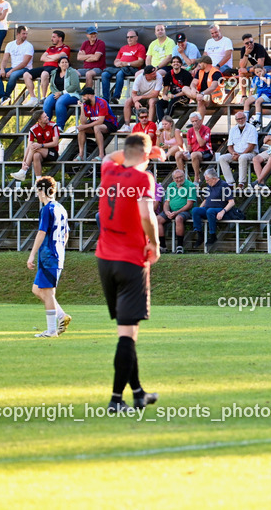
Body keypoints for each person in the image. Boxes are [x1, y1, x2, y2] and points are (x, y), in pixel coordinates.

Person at [97, 133, 160, 412]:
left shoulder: (108, 169)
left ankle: (138, 393)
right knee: (127, 334)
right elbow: (147, 216)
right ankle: (115, 400)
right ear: (146, 157)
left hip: (104, 259)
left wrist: (143, 153)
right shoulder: (142, 179)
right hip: (131, 261)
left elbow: (111, 156)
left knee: (126, 331)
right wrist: (155, 245)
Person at [27, 176, 71, 338]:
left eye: (37, 191)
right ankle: (61, 316)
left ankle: (52, 330)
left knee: (48, 292)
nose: (37, 195)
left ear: (41, 191)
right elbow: (66, 233)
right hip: (55, 254)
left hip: (49, 256)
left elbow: (41, 232)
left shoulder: (47, 209)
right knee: (37, 289)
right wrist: (60, 249)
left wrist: (31, 254)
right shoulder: (61, 208)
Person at [190, 168, 235, 250]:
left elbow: (231, 202)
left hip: (220, 209)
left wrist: (222, 211)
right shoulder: (209, 185)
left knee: (210, 211)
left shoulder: (224, 185)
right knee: (195, 210)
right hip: (208, 209)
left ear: (214, 179)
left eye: (207, 180)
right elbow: (206, 199)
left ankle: (213, 235)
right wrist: (200, 209)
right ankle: (200, 235)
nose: (206, 182)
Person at [10, 111, 60, 183]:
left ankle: (23, 171)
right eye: (45, 117)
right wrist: (23, 161)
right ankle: (38, 181)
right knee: (36, 155)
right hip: (40, 153)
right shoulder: (33, 129)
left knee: (35, 147)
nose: (47, 117)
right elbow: (29, 146)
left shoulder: (53, 125)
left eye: (46, 116)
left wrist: (41, 145)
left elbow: (55, 143)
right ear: (39, 120)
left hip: (52, 153)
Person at [24, 29, 70, 105]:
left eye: (54, 37)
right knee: (26, 74)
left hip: (55, 67)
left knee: (44, 74)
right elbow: (42, 58)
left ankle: (44, 97)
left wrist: (49, 57)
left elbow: (58, 57)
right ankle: (33, 98)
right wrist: (53, 57)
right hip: (45, 66)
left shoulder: (65, 47)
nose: (52, 39)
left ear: (60, 38)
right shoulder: (50, 48)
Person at [156, 169, 197, 254]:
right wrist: (167, 212)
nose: (178, 179)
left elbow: (189, 204)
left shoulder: (190, 186)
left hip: (185, 210)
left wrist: (176, 212)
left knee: (179, 219)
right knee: (157, 220)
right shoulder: (171, 186)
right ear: (173, 179)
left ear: (184, 176)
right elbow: (166, 202)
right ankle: (163, 246)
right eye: (176, 178)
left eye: (180, 177)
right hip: (171, 210)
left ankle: (179, 246)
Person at [76, 87, 119, 161]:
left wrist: (85, 126)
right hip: (95, 124)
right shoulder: (86, 104)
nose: (83, 98)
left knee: (96, 127)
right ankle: (80, 155)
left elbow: (100, 121)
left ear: (90, 95)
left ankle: (101, 155)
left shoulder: (101, 102)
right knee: (82, 130)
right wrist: (82, 108)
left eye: (84, 96)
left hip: (110, 123)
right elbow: (83, 122)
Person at [102, 30, 147, 103]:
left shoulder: (140, 47)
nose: (129, 39)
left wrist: (127, 64)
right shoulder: (123, 48)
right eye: (127, 37)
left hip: (131, 68)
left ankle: (115, 97)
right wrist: (117, 64)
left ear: (136, 38)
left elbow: (140, 62)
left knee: (120, 73)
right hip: (119, 67)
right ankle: (105, 98)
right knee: (104, 74)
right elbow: (116, 61)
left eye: (131, 37)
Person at [0, 25, 33, 103]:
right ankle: (3, 97)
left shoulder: (29, 46)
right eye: (23, 33)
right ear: (17, 34)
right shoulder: (10, 44)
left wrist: (11, 71)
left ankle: (7, 95)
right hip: (14, 68)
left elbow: (24, 63)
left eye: (26, 34)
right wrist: (2, 69)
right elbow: (5, 59)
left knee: (13, 75)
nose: (25, 36)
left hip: (26, 69)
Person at [217, 112, 258, 188]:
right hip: (236, 153)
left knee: (243, 158)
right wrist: (233, 153)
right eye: (238, 119)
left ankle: (241, 183)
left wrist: (240, 155)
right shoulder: (233, 129)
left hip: (250, 153)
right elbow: (229, 146)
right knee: (222, 158)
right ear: (236, 120)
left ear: (245, 118)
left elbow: (251, 146)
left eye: (242, 118)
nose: (240, 120)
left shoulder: (252, 128)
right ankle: (230, 183)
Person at [176, 112, 214, 185]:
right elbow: (190, 146)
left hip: (205, 152)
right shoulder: (190, 131)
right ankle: (182, 177)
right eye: (192, 121)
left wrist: (196, 131)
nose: (194, 123)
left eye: (196, 121)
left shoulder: (206, 129)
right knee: (178, 154)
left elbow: (201, 143)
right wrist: (186, 151)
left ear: (200, 120)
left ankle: (197, 177)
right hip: (194, 152)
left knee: (194, 154)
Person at [43, 56, 81, 128]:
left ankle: (60, 126)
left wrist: (61, 93)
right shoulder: (54, 72)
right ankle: (46, 126)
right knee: (47, 101)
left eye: (66, 62)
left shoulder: (72, 72)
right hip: (58, 93)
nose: (64, 64)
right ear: (59, 64)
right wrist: (57, 93)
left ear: (68, 64)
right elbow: (52, 86)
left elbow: (74, 86)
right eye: (62, 62)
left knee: (60, 101)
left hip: (72, 94)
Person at [119, 66, 162, 131]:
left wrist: (141, 97)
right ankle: (127, 126)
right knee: (128, 101)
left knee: (152, 101)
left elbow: (155, 94)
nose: (155, 74)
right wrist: (136, 101)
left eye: (155, 72)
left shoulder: (159, 77)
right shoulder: (139, 78)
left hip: (151, 97)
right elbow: (133, 93)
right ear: (147, 75)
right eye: (153, 74)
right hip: (139, 97)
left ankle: (149, 125)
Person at [156, 55, 193, 121]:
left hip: (183, 97)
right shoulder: (168, 74)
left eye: (178, 62)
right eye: (174, 62)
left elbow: (187, 90)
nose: (176, 63)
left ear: (181, 64)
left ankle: (167, 121)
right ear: (171, 64)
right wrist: (164, 95)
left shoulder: (186, 74)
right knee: (159, 103)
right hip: (172, 96)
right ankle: (161, 122)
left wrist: (174, 96)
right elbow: (166, 88)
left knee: (172, 103)